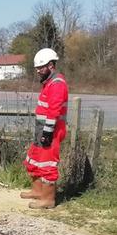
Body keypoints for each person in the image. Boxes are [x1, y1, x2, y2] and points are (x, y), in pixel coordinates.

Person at [21, 48, 69, 209]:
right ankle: (37, 191)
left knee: (47, 163)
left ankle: (48, 199)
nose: (38, 71)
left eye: (41, 67)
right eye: (37, 68)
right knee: (34, 158)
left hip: (52, 130)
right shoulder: (49, 82)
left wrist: (48, 132)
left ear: (51, 65)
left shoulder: (57, 83)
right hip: (42, 128)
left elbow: (54, 110)